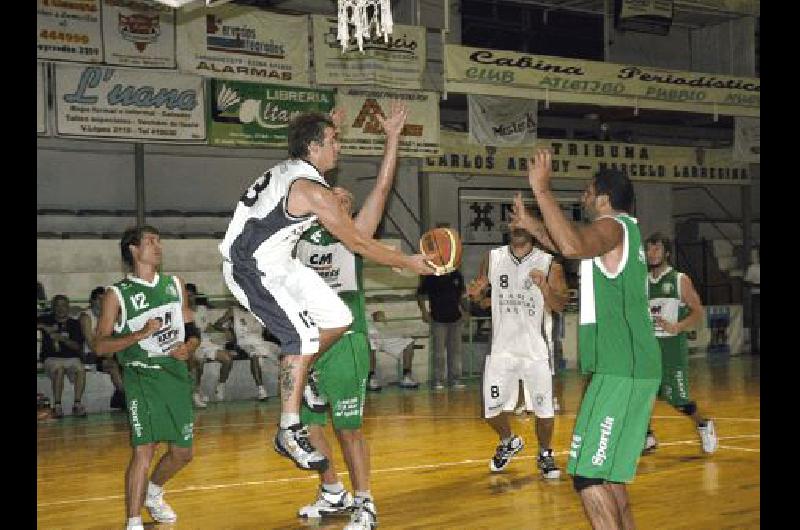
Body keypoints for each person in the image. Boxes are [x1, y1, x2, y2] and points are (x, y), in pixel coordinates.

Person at [219, 107, 432, 473]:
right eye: (334, 141)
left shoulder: (293, 171)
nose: (340, 148)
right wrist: (409, 262)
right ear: (314, 147)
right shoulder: (312, 192)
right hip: (252, 268)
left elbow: (365, 217)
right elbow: (361, 244)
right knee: (301, 338)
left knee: (339, 317)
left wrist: (335, 124)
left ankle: (309, 376)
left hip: (280, 262)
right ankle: (288, 429)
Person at [512, 150, 661, 530]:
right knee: (610, 478)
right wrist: (534, 226)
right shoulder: (621, 233)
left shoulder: (612, 227)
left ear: (604, 199)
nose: (582, 197)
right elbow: (571, 244)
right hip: (631, 367)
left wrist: (542, 191)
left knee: (588, 475)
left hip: (620, 368)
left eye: (587, 191)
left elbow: (574, 246)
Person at [293, 101, 409, 530]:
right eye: (332, 192)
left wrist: (392, 138)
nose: (339, 195)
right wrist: (327, 131)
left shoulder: (355, 234)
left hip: (345, 339)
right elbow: (300, 176)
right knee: (307, 425)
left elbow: (381, 188)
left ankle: (365, 502)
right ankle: (332, 490)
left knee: (348, 428)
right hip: (309, 339)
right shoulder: (300, 228)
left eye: (345, 197)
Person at [93, 226, 199, 530]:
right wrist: (140, 334)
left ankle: (153, 492)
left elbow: (192, 329)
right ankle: (134, 521)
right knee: (145, 448)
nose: (158, 246)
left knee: (183, 453)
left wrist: (188, 347)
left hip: (175, 375)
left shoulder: (174, 284)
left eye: (159, 241)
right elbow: (100, 346)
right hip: (141, 376)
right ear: (133, 250)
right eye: (150, 241)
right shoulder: (117, 294)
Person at [466, 215, 568, 479]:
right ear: (508, 227)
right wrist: (476, 295)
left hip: (535, 350)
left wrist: (545, 287)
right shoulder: (493, 258)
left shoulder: (549, 264)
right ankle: (509, 440)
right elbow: (480, 297)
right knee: (490, 410)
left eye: (524, 222)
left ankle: (545, 453)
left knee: (544, 410)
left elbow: (560, 306)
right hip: (502, 349)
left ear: (535, 228)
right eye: (513, 221)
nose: (517, 226)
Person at [643, 233, 717, 454]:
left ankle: (703, 424)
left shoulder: (678, 279)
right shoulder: (643, 281)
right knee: (642, 392)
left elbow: (698, 311)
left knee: (678, 399)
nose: (652, 253)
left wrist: (678, 326)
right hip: (650, 346)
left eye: (657, 249)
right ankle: (647, 437)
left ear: (666, 253)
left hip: (672, 346)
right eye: (649, 249)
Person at [416, 238, 469, 390]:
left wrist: (465, 311)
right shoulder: (431, 275)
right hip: (438, 319)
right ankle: (438, 380)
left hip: (456, 319)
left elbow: (461, 295)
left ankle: (456, 379)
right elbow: (420, 294)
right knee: (439, 352)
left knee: (456, 352)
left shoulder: (457, 275)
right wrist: (424, 312)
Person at [184, 283, 234, 408]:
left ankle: (220, 386)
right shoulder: (182, 311)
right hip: (192, 343)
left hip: (206, 342)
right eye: (186, 296)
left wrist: (223, 331)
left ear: (195, 296)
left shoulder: (202, 309)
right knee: (198, 363)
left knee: (227, 359)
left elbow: (208, 327)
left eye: (191, 296)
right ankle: (196, 392)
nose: (189, 298)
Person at [37, 295, 87, 418]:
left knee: (81, 368)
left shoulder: (74, 324)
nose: (61, 308)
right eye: (57, 305)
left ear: (68, 307)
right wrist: (44, 327)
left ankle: (77, 404)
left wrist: (62, 339)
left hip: (71, 358)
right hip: (51, 358)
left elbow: (77, 347)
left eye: (63, 305)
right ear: (53, 307)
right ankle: (58, 406)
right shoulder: (47, 319)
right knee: (59, 369)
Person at [81, 286, 126, 410]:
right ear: (92, 301)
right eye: (98, 299)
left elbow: (121, 336)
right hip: (92, 354)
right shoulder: (87, 316)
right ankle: (126, 397)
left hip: (112, 351)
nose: (101, 302)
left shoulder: (112, 314)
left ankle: (120, 396)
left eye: (104, 299)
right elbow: (91, 344)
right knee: (113, 365)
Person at [368, 310, 419, 390]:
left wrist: (376, 314)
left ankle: (406, 376)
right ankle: (371, 378)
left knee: (409, 342)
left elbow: (371, 317)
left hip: (380, 336)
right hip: (366, 336)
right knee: (370, 344)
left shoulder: (362, 306)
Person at [744, 248, 760, 354]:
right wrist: (756, 285)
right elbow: (746, 283)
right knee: (755, 322)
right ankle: (754, 348)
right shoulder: (753, 268)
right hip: (756, 296)